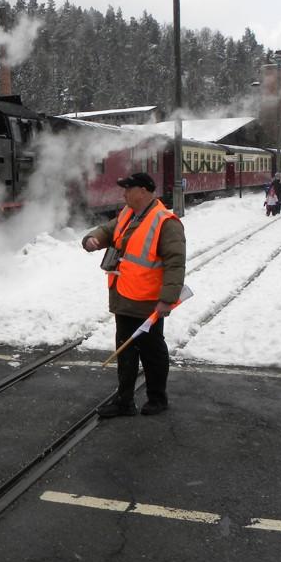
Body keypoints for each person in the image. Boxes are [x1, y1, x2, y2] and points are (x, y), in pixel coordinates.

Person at [82, 172, 186, 418]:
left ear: (143, 191)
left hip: (148, 302)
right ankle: (124, 401)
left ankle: (157, 398)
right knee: (125, 352)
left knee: (152, 353)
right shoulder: (127, 214)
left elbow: (175, 263)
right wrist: (92, 238)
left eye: (128, 189)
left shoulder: (166, 222)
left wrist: (167, 299)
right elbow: (107, 231)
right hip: (124, 297)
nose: (124, 194)